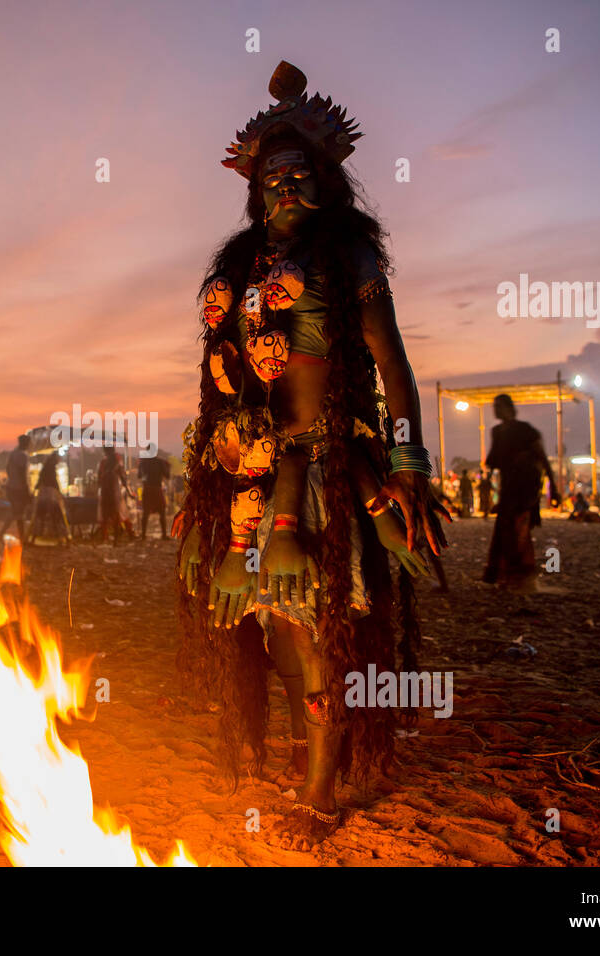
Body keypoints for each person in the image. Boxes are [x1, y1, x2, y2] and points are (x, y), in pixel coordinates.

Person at [174, 61, 445, 850]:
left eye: (298, 174)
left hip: (325, 468)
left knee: (317, 620)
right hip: (248, 469)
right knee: (270, 627)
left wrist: (408, 464)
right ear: (253, 192)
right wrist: (212, 486)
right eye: (270, 178)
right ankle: (298, 743)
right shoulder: (237, 271)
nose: (284, 187)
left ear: (327, 182)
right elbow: (218, 377)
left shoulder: (350, 260)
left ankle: (322, 790)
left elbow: (391, 365)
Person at [482, 394, 560, 588]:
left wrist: (554, 488)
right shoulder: (497, 432)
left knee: (519, 528)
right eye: (494, 406)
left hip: (526, 487)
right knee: (505, 529)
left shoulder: (525, 430)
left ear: (509, 407)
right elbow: (493, 462)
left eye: (498, 406)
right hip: (508, 486)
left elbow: (541, 457)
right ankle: (507, 575)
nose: (495, 410)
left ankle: (521, 576)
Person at [28, 457, 71, 545]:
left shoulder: (44, 471)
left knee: (39, 517)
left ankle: (32, 539)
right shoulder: (52, 471)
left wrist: (33, 492)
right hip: (52, 497)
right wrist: (61, 494)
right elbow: (55, 484)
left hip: (43, 495)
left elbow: (38, 483)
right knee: (57, 518)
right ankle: (65, 539)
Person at [0, 434, 32, 541]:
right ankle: (22, 538)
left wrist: (12, 479)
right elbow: (23, 474)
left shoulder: (13, 454)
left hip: (11, 487)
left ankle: (3, 534)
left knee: (15, 512)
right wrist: (26, 489)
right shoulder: (23, 456)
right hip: (19, 489)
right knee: (20, 513)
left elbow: (7, 468)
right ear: (25, 443)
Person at [96, 446, 133, 543]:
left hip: (104, 491)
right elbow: (123, 478)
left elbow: (98, 480)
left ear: (105, 452)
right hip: (114, 491)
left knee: (105, 515)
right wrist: (129, 492)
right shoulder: (117, 462)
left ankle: (104, 538)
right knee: (118, 513)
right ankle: (117, 539)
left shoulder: (102, 463)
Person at [138, 453, 172, 538]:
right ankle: (164, 535)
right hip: (157, 488)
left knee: (145, 513)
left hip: (147, 489)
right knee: (162, 511)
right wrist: (168, 467)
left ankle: (143, 535)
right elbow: (167, 476)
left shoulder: (143, 462)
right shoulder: (160, 462)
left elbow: (139, 476)